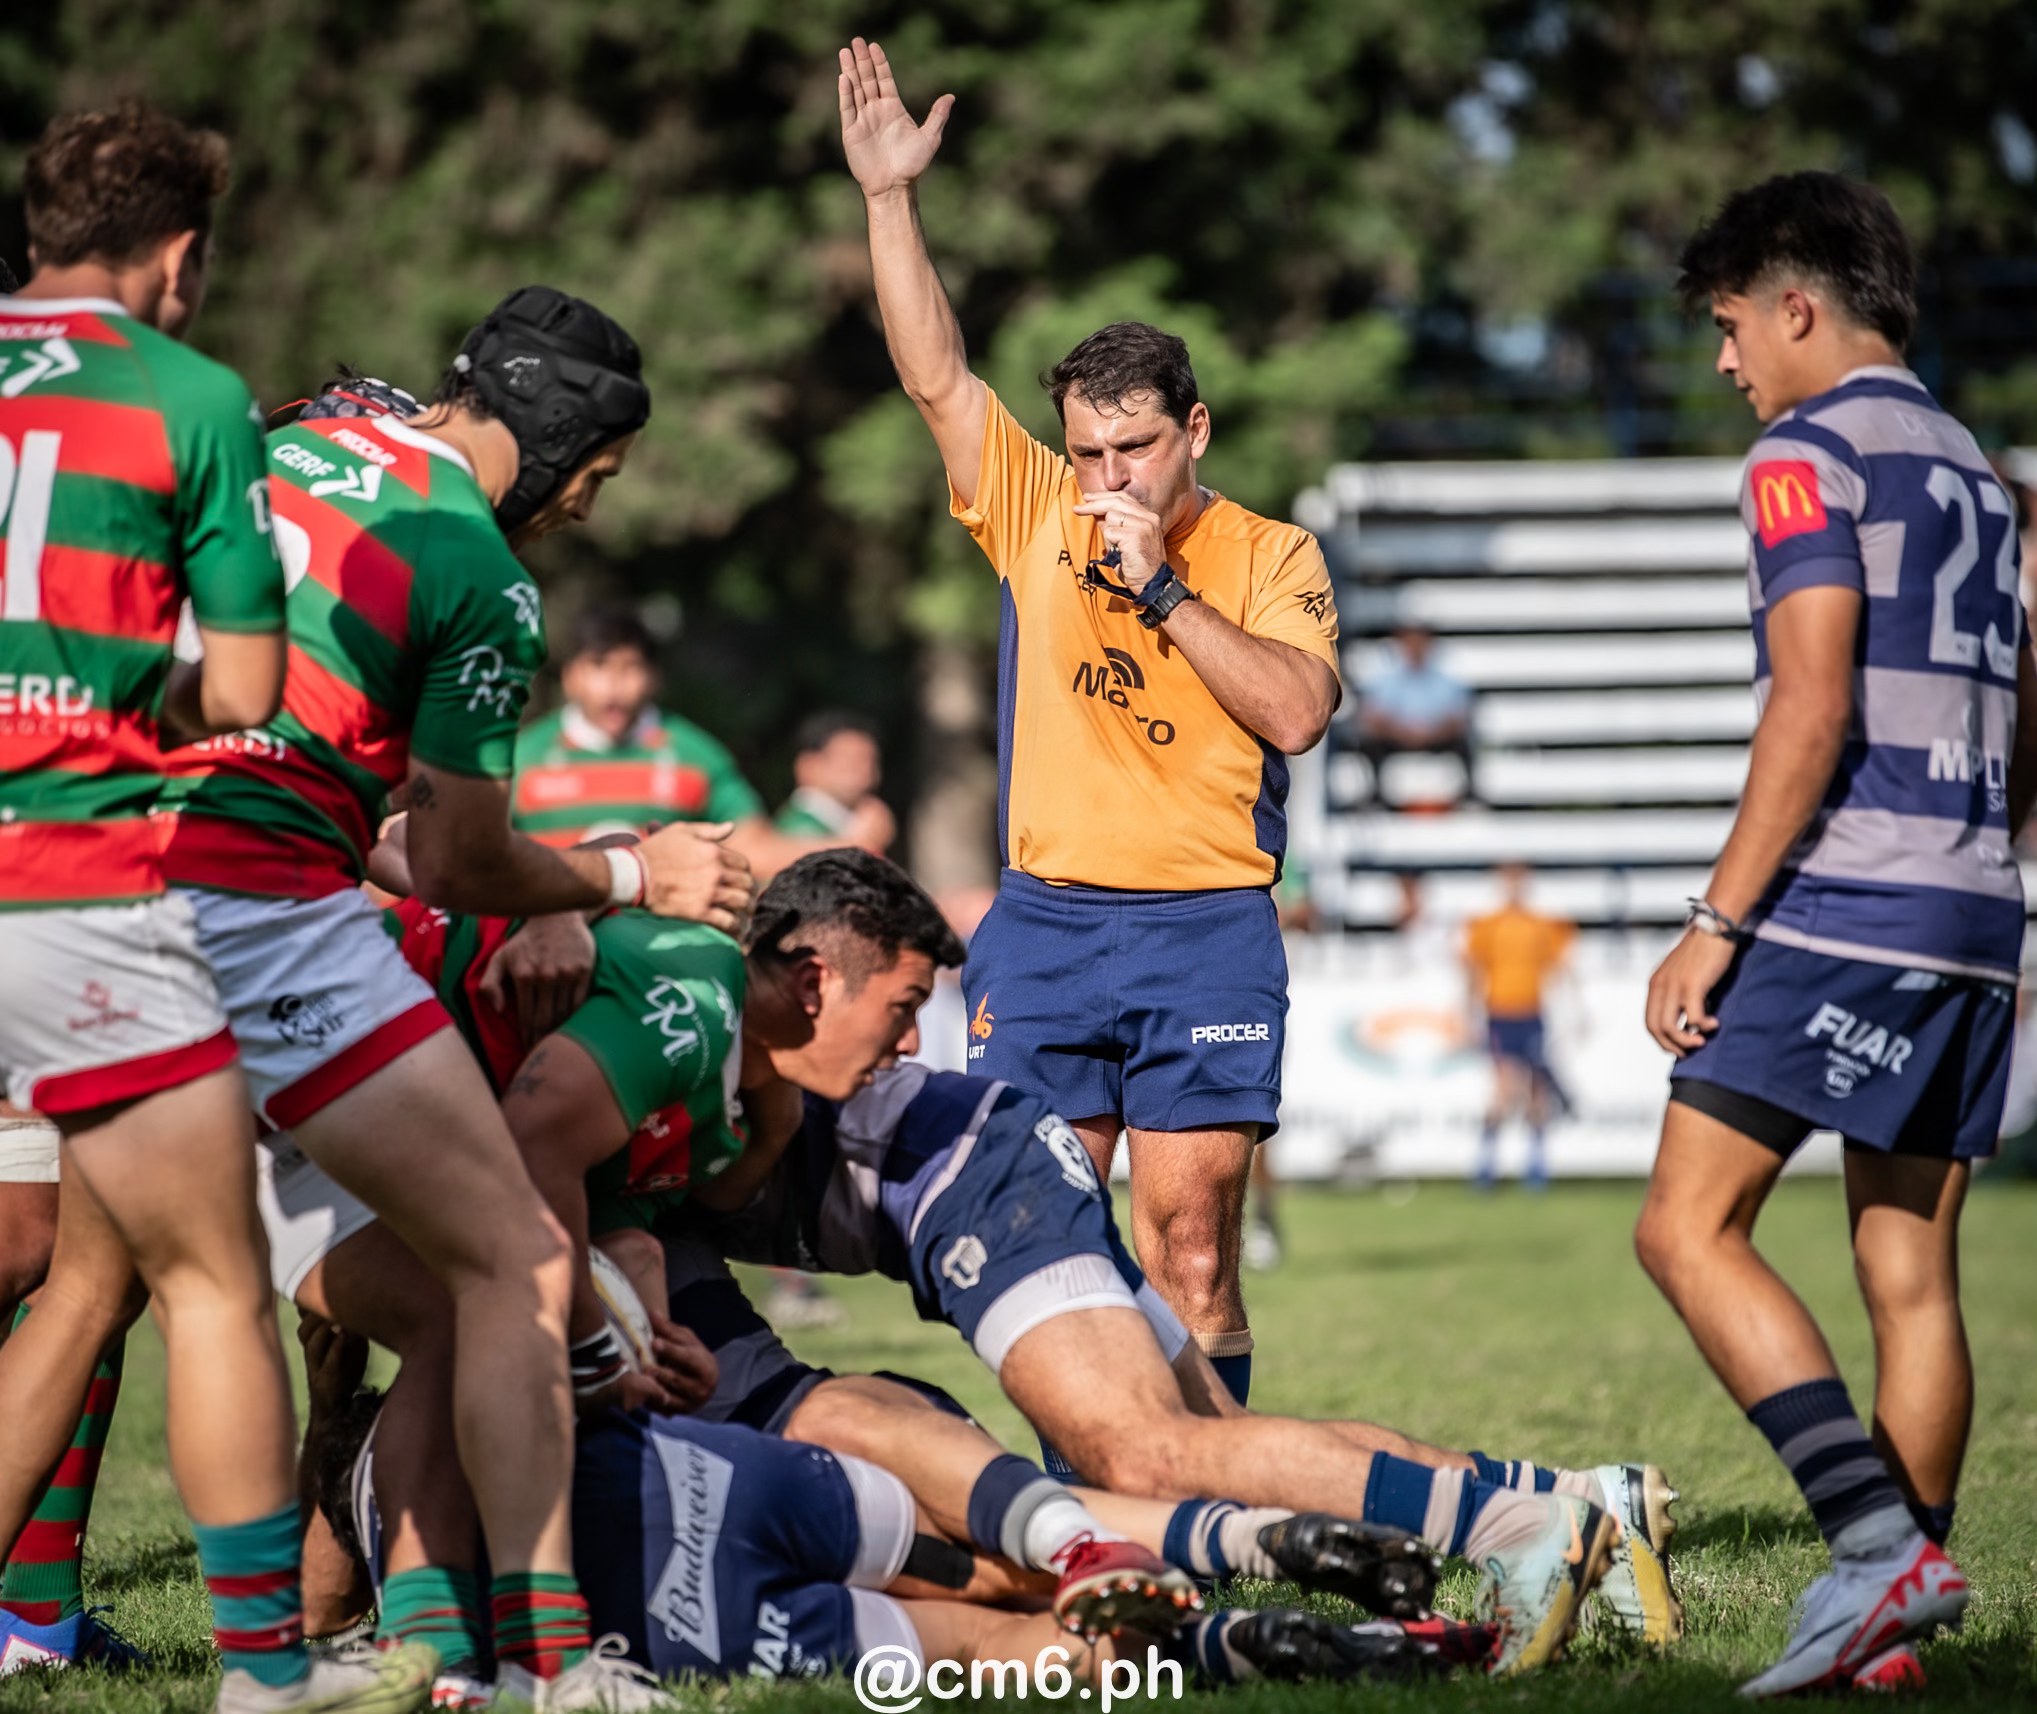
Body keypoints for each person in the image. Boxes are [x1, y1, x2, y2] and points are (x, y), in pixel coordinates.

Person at [156, 291, 757, 1714]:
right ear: (555, 442)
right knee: (514, 1265)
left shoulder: (285, 445)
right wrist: (626, 870)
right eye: (595, 477)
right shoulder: (477, 566)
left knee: (98, 1291)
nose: (588, 510)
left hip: (87, 879)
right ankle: (557, 1660)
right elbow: (461, 858)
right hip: (254, 899)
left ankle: (242, 1660)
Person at [0, 104, 438, 1710]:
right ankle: (263, 1670)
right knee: (198, 1280)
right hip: (65, 883)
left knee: (63, 1279)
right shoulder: (187, 399)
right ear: (177, 258)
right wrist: (134, 688)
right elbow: (248, 684)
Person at [839, 38, 1345, 1408]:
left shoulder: (1271, 552)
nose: (1107, 476)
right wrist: (889, 200)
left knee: (1190, 1250)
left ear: (1196, 430)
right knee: (1049, 1249)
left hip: (1207, 926)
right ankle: (1102, 1528)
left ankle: (1218, 1509)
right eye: (1089, 452)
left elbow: (1297, 711)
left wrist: (1163, 587)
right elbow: (938, 376)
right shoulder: (1030, 512)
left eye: (1135, 448)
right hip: (1048, 925)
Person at [690, 1052, 1681, 1673]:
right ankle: (1579, 1500)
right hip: (998, 1118)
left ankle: (1517, 1526)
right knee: (1214, 1441)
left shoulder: (623, 1036)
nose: (903, 1032)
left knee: (1144, 1452)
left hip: (974, 1166)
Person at [1634, 172, 2035, 1698]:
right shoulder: (1977, 469)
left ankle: (1876, 1551)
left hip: (1846, 900)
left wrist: (1713, 923)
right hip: (1972, 905)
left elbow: (1811, 702)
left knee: (1683, 1223)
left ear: (1797, 307)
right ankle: (1895, 1636)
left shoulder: (1805, 456)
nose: (1729, 363)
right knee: (1911, 1277)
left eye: (1733, 327)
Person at [298, 1317, 1490, 1692]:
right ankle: (1242, 1544)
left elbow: (325, 1621)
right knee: (990, 1550)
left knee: (1013, 1648)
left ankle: (1284, 1651)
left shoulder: (387, 1554)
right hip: (709, 1482)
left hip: (680, 1627)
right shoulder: (463, 1367)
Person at [513, 610, 894, 875]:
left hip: (660, 951)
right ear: (570, 676)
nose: (615, 686)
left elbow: (753, 847)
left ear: (653, 677)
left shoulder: (695, 754)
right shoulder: (524, 755)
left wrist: (849, 848)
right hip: (545, 951)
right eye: (599, 667)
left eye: (630, 668)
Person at [1461, 863, 1575, 1190]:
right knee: (1503, 1090)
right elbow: (1473, 971)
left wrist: (1576, 1010)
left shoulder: (1541, 925)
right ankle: (1485, 1165)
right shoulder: (1487, 925)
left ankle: (1535, 1168)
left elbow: (1561, 968)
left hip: (1532, 1013)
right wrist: (1468, 1013)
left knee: (1537, 1092)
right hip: (1500, 1013)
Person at [1354, 625, 1474, 804]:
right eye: (1410, 644)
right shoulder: (1387, 681)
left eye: (1420, 644)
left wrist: (1430, 733)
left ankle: (1469, 793)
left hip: (1436, 738)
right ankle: (1375, 795)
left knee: (1464, 745)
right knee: (1369, 744)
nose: (1415, 650)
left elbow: (1459, 718)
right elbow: (1372, 718)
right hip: (1396, 738)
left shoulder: (1445, 681)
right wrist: (1402, 733)